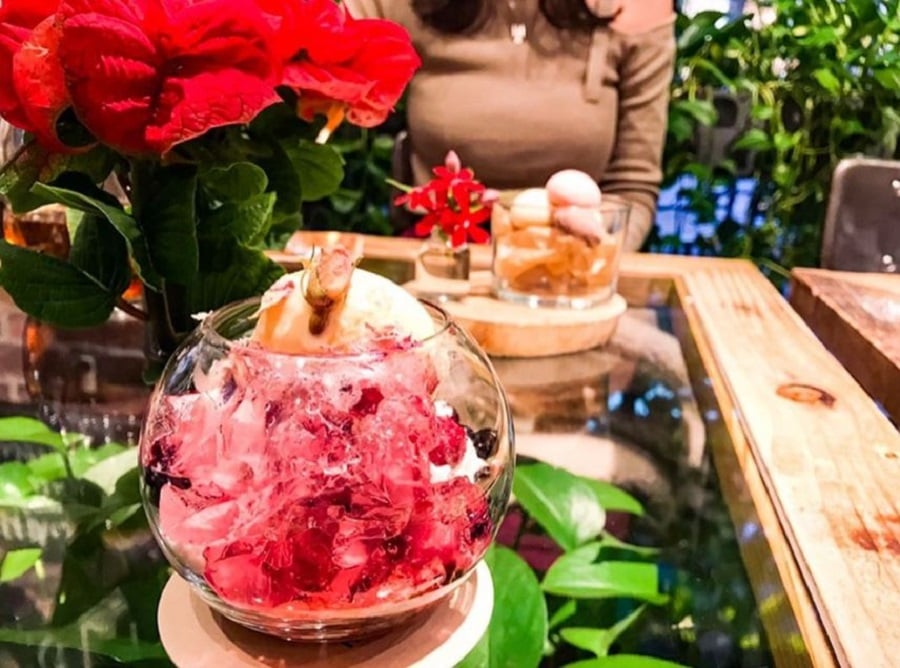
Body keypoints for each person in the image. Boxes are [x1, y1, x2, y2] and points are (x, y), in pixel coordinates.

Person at [344, 0, 676, 250]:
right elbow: (321, 43)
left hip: (574, 263)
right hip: (440, 259)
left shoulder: (633, 7)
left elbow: (633, 184)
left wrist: (596, 255)